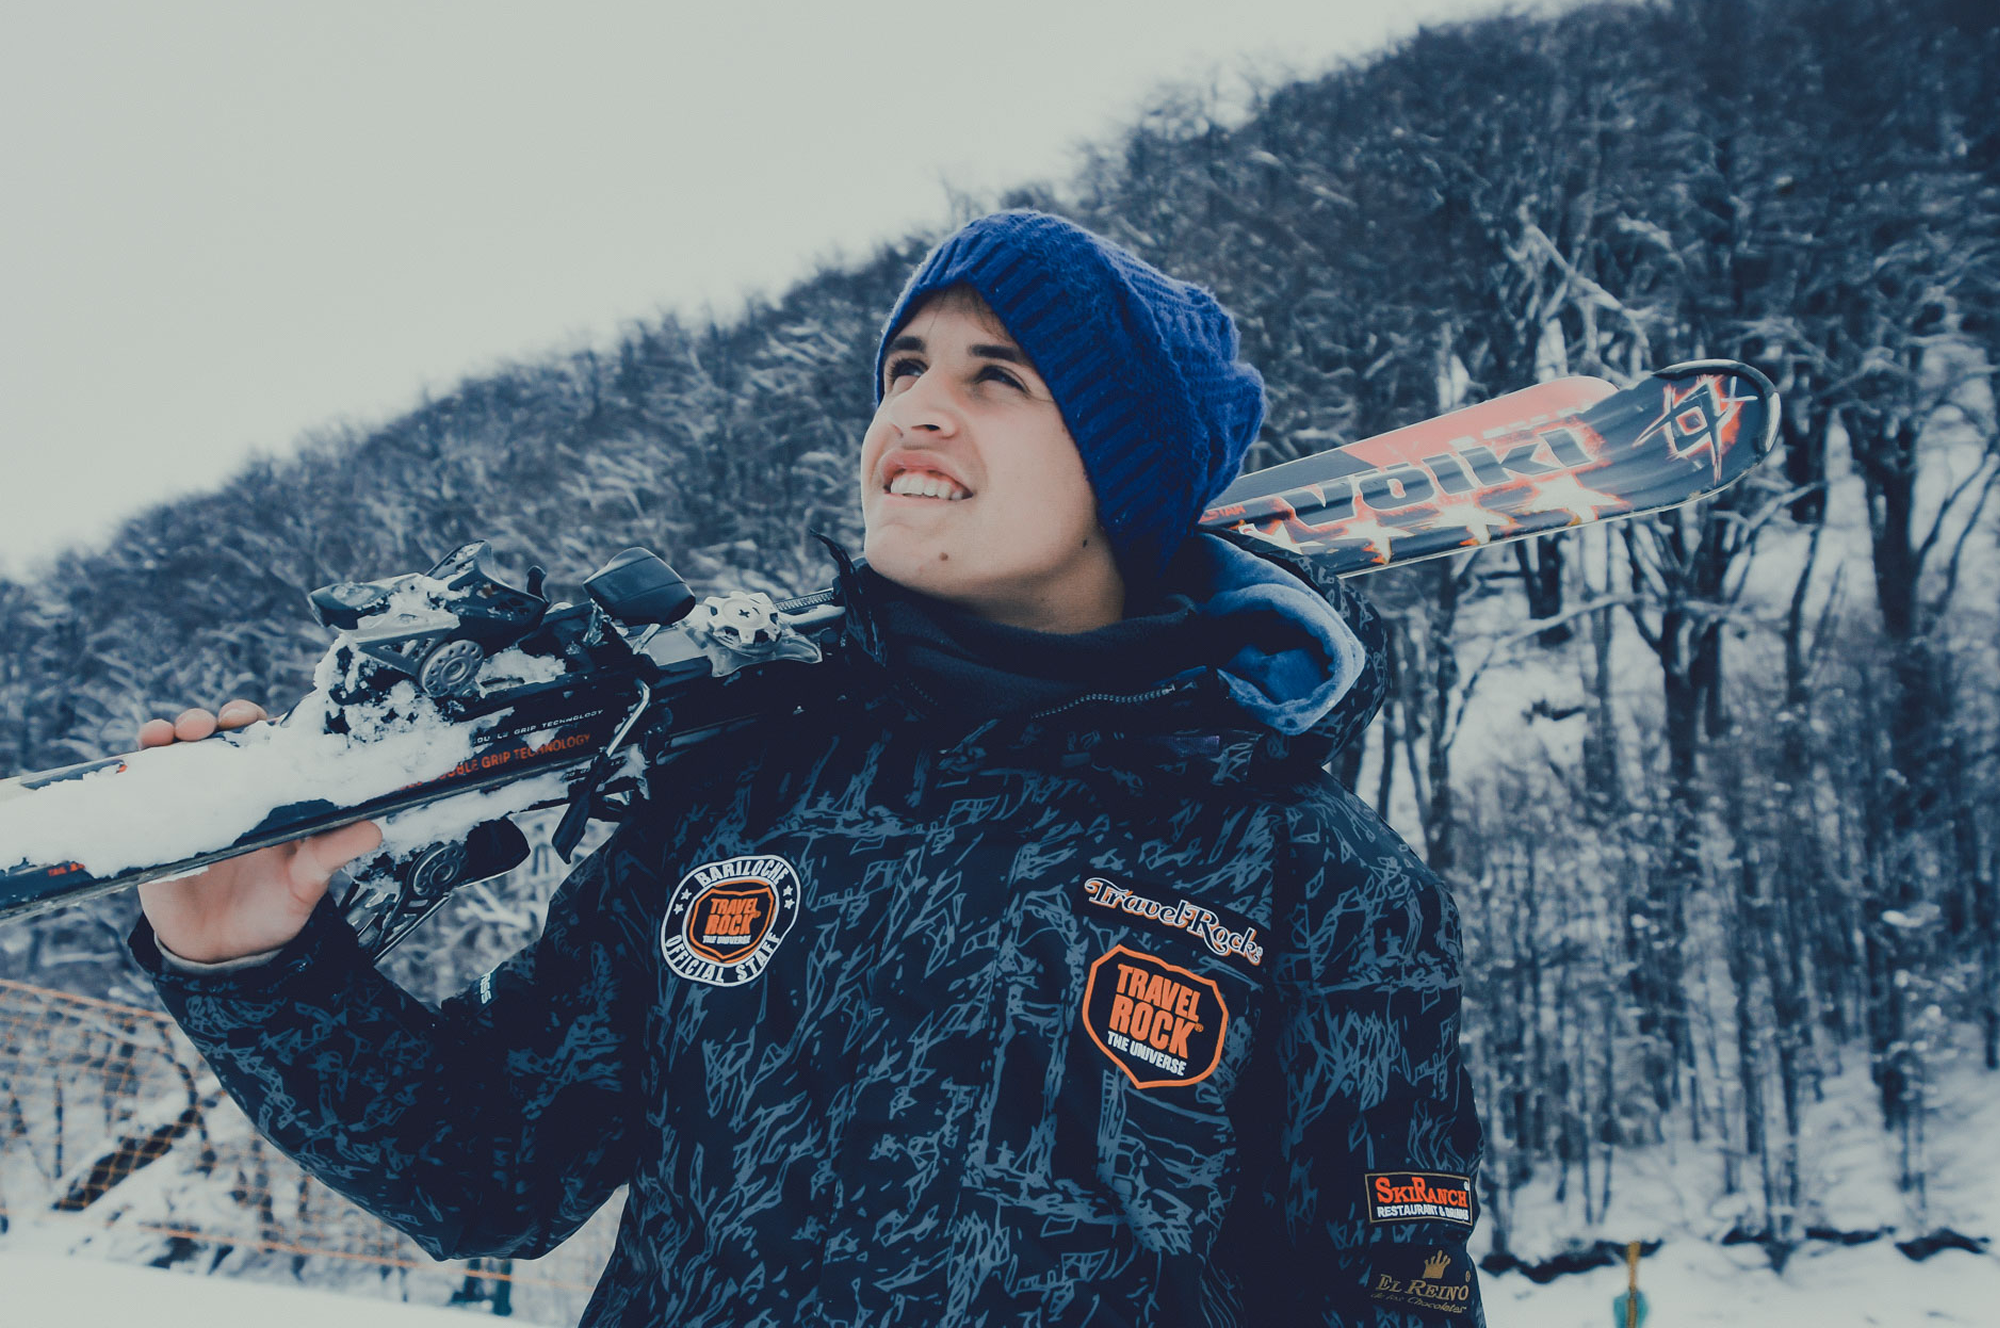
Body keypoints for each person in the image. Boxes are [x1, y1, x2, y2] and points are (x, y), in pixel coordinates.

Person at [132, 211, 1486, 1326]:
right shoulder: (739, 786)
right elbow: (490, 1168)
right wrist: (255, 970)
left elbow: (1392, 1299)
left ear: (1120, 477)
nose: (918, 409)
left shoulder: (1311, 874)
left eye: (996, 378)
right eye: (903, 369)